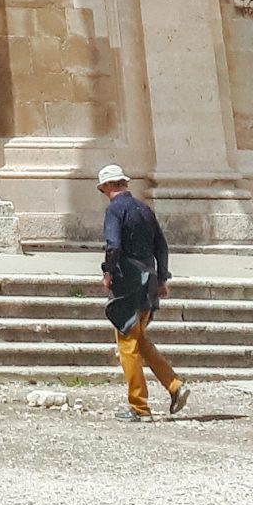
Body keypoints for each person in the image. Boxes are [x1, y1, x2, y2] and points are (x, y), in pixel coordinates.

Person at [98, 162, 188, 422]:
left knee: (127, 343)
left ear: (107, 186)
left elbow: (113, 245)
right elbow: (161, 245)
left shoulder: (115, 210)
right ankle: (174, 385)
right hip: (149, 282)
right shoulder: (144, 209)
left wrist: (108, 272)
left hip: (127, 282)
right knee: (139, 340)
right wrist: (162, 278)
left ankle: (139, 407)